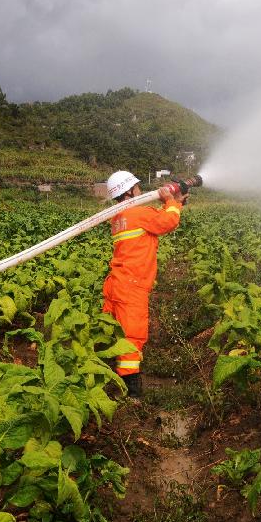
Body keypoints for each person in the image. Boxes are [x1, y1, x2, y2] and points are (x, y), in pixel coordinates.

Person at [101, 170, 186, 397]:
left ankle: (111, 378)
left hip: (118, 282)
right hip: (132, 285)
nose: (140, 189)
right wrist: (170, 201)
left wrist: (175, 203)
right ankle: (132, 395)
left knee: (119, 333)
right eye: (137, 187)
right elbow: (167, 222)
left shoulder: (120, 216)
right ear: (129, 191)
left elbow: (153, 222)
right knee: (132, 336)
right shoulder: (138, 212)